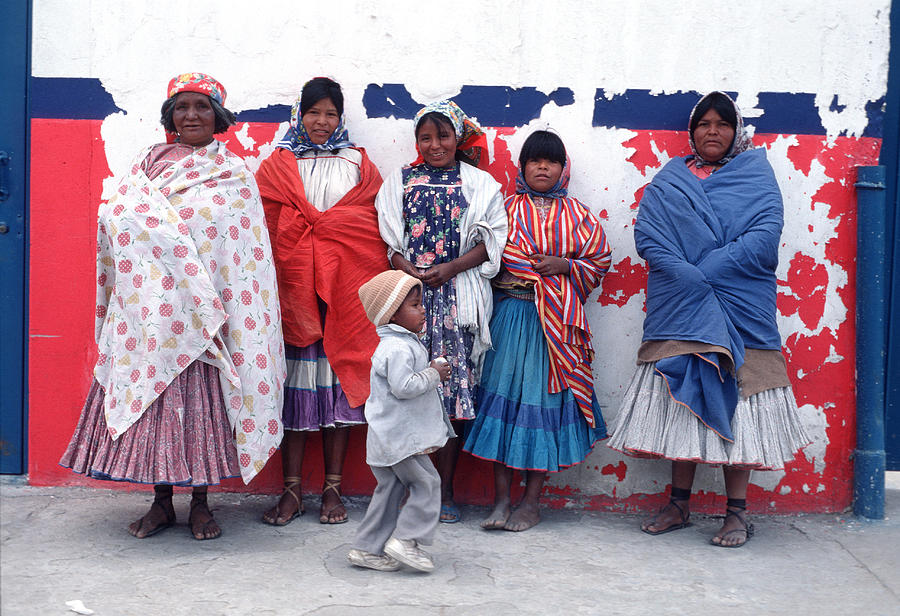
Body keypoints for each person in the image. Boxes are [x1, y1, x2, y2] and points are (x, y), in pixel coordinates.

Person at [60, 72, 285, 540]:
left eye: (202, 106)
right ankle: (161, 503)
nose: (191, 116)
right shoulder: (146, 168)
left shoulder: (233, 176)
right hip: (152, 315)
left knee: (200, 410)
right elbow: (116, 219)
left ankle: (201, 504)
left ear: (218, 115)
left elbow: (243, 256)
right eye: (181, 107)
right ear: (170, 117)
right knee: (158, 411)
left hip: (206, 319)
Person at [607, 91, 811, 547]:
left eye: (721, 123)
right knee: (686, 397)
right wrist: (688, 275)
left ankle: (736, 513)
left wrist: (708, 271)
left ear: (736, 130)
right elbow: (650, 237)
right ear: (692, 131)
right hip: (682, 305)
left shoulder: (757, 175)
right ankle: (679, 503)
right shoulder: (670, 180)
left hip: (742, 308)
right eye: (704, 124)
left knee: (745, 403)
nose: (712, 131)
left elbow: (764, 235)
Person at [463, 130, 612, 531]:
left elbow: (598, 260)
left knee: (542, 409)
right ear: (522, 167)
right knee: (503, 405)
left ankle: (531, 502)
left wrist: (565, 266)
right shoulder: (503, 208)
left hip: (555, 328)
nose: (542, 167)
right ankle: (500, 502)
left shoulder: (579, 215)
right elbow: (486, 249)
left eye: (551, 161)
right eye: (534, 160)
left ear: (564, 169)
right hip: (510, 318)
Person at [255, 78, 387, 525]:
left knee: (339, 393)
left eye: (331, 113)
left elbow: (368, 224)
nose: (321, 121)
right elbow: (265, 225)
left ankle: (332, 490)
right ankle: (291, 492)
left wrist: (326, 239)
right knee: (296, 394)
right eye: (314, 112)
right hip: (294, 295)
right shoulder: (278, 164)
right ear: (299, 114)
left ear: (341, 118)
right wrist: (307, 244)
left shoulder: (358, 165)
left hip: (343, 296)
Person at [375, 100, 507, 523]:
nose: (435, 145)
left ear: (458, 138)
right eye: (426, 138)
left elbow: (493, 240)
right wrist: (406, 270)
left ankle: (444, 490)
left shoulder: (479, 183)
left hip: (456, 303)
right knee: (408, 395)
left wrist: (451, 267)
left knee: (448, 394)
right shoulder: (399, 181)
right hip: (410, 304)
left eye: (443, 136)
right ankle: (412, 490)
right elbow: (390, 240)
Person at [348, 270, 454, 572]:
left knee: (391, 489)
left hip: (387, 436)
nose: (423, 310)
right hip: (400, 439)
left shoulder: (402, 342)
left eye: (421, 304)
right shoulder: (397, 347)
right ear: (391, 314)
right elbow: (404, 387)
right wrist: (434, 373)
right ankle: (407, 540)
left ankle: (367, 548)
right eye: (415, 305)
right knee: (428, 482)